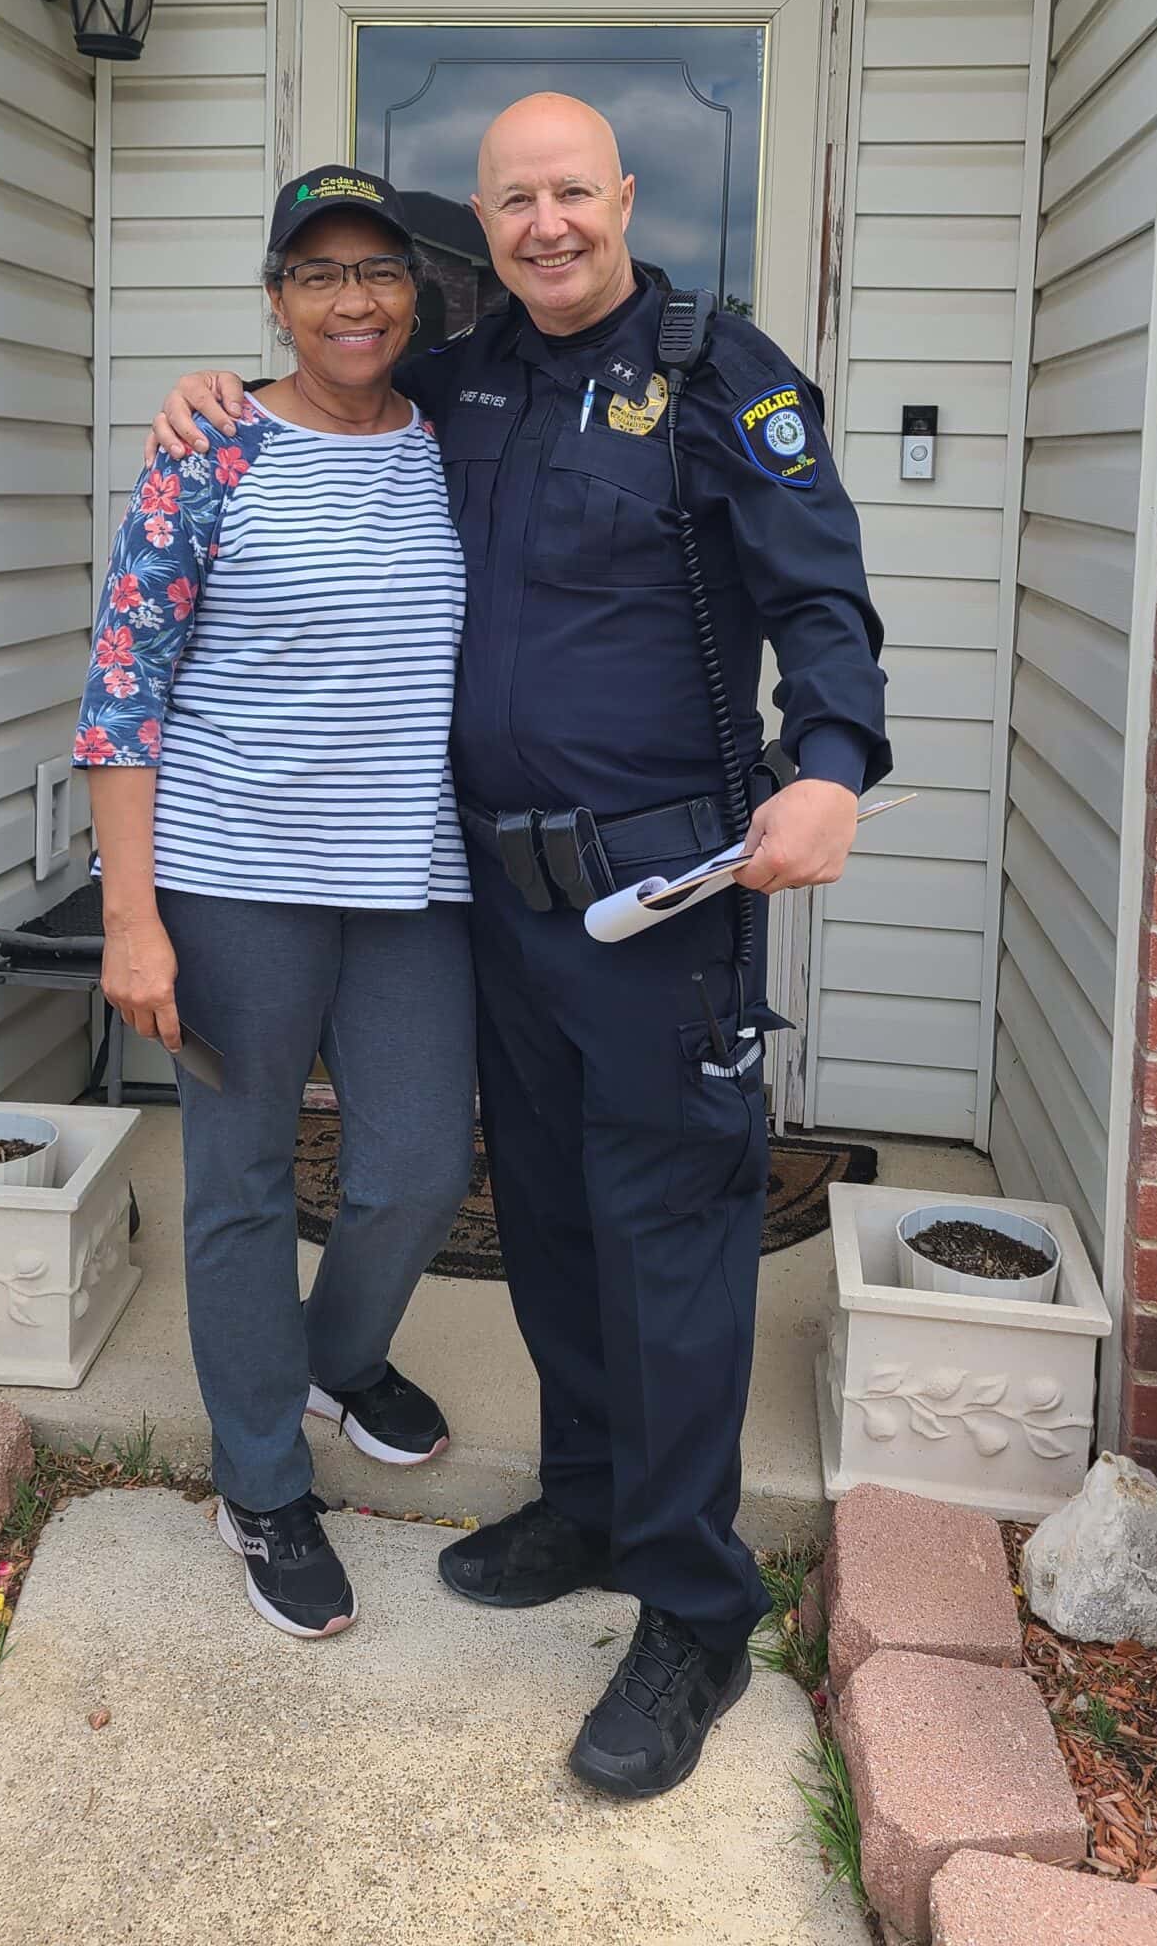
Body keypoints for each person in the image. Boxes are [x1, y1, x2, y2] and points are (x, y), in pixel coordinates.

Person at [153, 95, 887, 1794]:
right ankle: (587, 1498)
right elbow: (319, 393)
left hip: (660, 902)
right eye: (513, 202)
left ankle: (696, 1612)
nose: (547, 223)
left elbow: (818, 590)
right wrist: (203, 398)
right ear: (476, 231)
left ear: (623, 196)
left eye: (573, 191)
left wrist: (836, 760)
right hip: (486, 897)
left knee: (673, 1239)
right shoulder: (467, 378)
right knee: (546, 1213)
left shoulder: (724, 372)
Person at [74, 164, 476, 1642]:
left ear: (416, 294)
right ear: (276, 299)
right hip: (232, 873)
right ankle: (262, 1479)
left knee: (422, 1163)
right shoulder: (212, 451)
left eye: (377, 269)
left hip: (414, 874)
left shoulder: (454, 444)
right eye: (317, 273)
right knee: (240, 1181)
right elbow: (124, 694)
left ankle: (333, 1355)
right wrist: (134, 920)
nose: (352, 298)